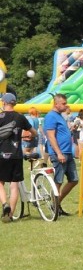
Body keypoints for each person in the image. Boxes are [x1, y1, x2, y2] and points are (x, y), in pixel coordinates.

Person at [0, 93, 37, 223]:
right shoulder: (20, 117)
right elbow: (34, 132)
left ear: (4, 102)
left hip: (1, 155)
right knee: (14, 185)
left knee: (0, 182)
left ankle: (5, 204)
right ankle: (9, 216)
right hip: (16, 155)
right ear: (14, 103)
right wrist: (30, 136)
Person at [43, 94, 77, 216]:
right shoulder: (51, 116)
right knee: (58, 181)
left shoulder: (60, 116)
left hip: (67, 152)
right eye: (63, 103)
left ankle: (56, 204)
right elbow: (50, 136)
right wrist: (58, 153)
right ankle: (55, 208)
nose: (65, 105)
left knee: (74, 180)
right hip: (60, 154)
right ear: (56, 104)